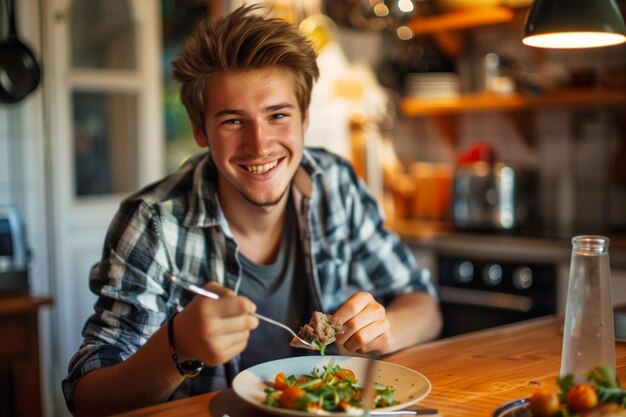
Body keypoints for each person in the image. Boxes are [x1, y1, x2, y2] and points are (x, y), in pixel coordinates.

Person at [62, 4, 442, 416]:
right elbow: (86, 399)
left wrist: (385, 330)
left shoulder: (335, 184)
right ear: (199, 130)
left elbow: (425, 306)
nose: (260, 145)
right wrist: (176, 347)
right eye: (232, 122)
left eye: (277, 115)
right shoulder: (153, 222)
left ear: (305, 119)